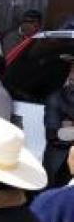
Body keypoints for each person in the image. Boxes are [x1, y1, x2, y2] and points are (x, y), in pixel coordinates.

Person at [41, 54, 74, 188]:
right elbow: (54, 134)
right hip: (59, 166)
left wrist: (69, 128)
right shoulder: (56, 97)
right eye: (72, 69)